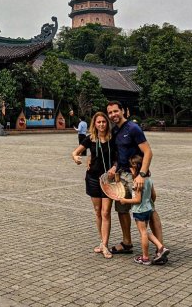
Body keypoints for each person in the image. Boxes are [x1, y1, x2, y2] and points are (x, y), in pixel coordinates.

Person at [105, 100, 164, 259]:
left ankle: (160, 247)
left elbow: (148, 152)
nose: (113, 115)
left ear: (123, 110)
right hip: (122, 175)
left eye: (116, 111)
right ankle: (127, 243)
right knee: (122, 208)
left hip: (137, 175)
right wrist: (114, 167)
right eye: (110, 113)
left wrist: (141, 175)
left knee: (149, 209)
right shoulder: (115, 131)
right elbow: (119, 154)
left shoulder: (133, 128)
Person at [71, 111, 118, 258]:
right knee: (98, 211)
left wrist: (114, 168)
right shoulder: (90, 138)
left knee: (106, 212)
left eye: (104, 122)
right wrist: (77, 158)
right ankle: (102, 242)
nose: (102, 125)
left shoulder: (113, 138)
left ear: (107, 123)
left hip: (108, 180)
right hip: (92, 179)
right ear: (95, 124)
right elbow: (75, 152)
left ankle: (105, 244)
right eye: (99, 122)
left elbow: (119, 157)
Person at [117, 153, 168, 265]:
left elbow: (137, 200)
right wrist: (149, 204)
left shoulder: (136, 182)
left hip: (139, 210)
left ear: (135, 168)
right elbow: (153, 195)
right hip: (148, 209)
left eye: (131, 167)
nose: (129, 169)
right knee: (146, 232)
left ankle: (145, 257)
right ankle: (160, 246)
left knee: (143, 233)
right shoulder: (148, 179)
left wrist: (125, 201)